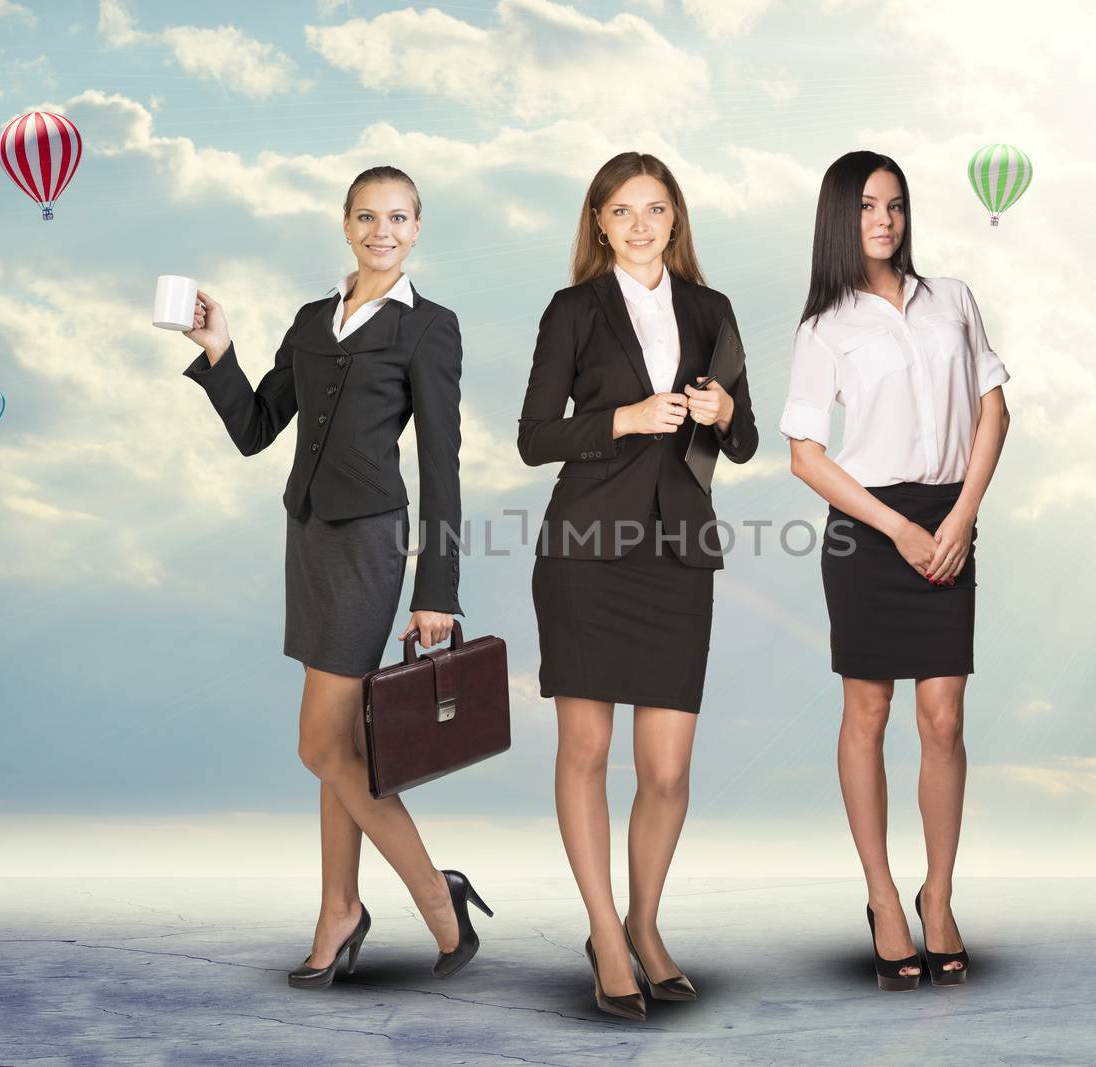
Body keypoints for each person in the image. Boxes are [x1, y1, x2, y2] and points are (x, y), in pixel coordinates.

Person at [180, 165, 490, 989]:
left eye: (397, 217)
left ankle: (436, 895)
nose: (381, 230)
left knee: (317, 741)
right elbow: (256, 429)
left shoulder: (431, 328)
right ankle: (339, 909)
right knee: (342, 745)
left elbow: (442, 468)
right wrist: (218, 352)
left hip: (372, 548)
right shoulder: (313, 318)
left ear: (417, 227)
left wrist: (438, 589)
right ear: (344, 224)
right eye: (366, 216)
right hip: (309, 541)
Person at [517, 151, 757, 1020]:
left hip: (678, 557)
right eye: (624, 211)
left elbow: (747, 439)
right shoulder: (573, 310)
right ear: (599, 223)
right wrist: (623, 417)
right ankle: (606, 938)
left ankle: (642, 921)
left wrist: (724, 413)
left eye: (656, 209)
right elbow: (534, 436)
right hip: (586, 550)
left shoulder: (712, 309)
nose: (642, 224)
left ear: (676, 219)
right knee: (585, 752)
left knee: (666, 770)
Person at [780, 150, 1011, 991]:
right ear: (839, 217)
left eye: (895, 205)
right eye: (867, 206)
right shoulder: (824, 327)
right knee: (868, 711)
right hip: (867, 528)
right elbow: (805, 454)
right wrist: (896, 529)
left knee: (943, 717)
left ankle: (939, 897)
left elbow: (994, 409)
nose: (883, 220)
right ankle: (883, 897)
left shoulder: (951, 299)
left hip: (950, 517)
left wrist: (958, 518)